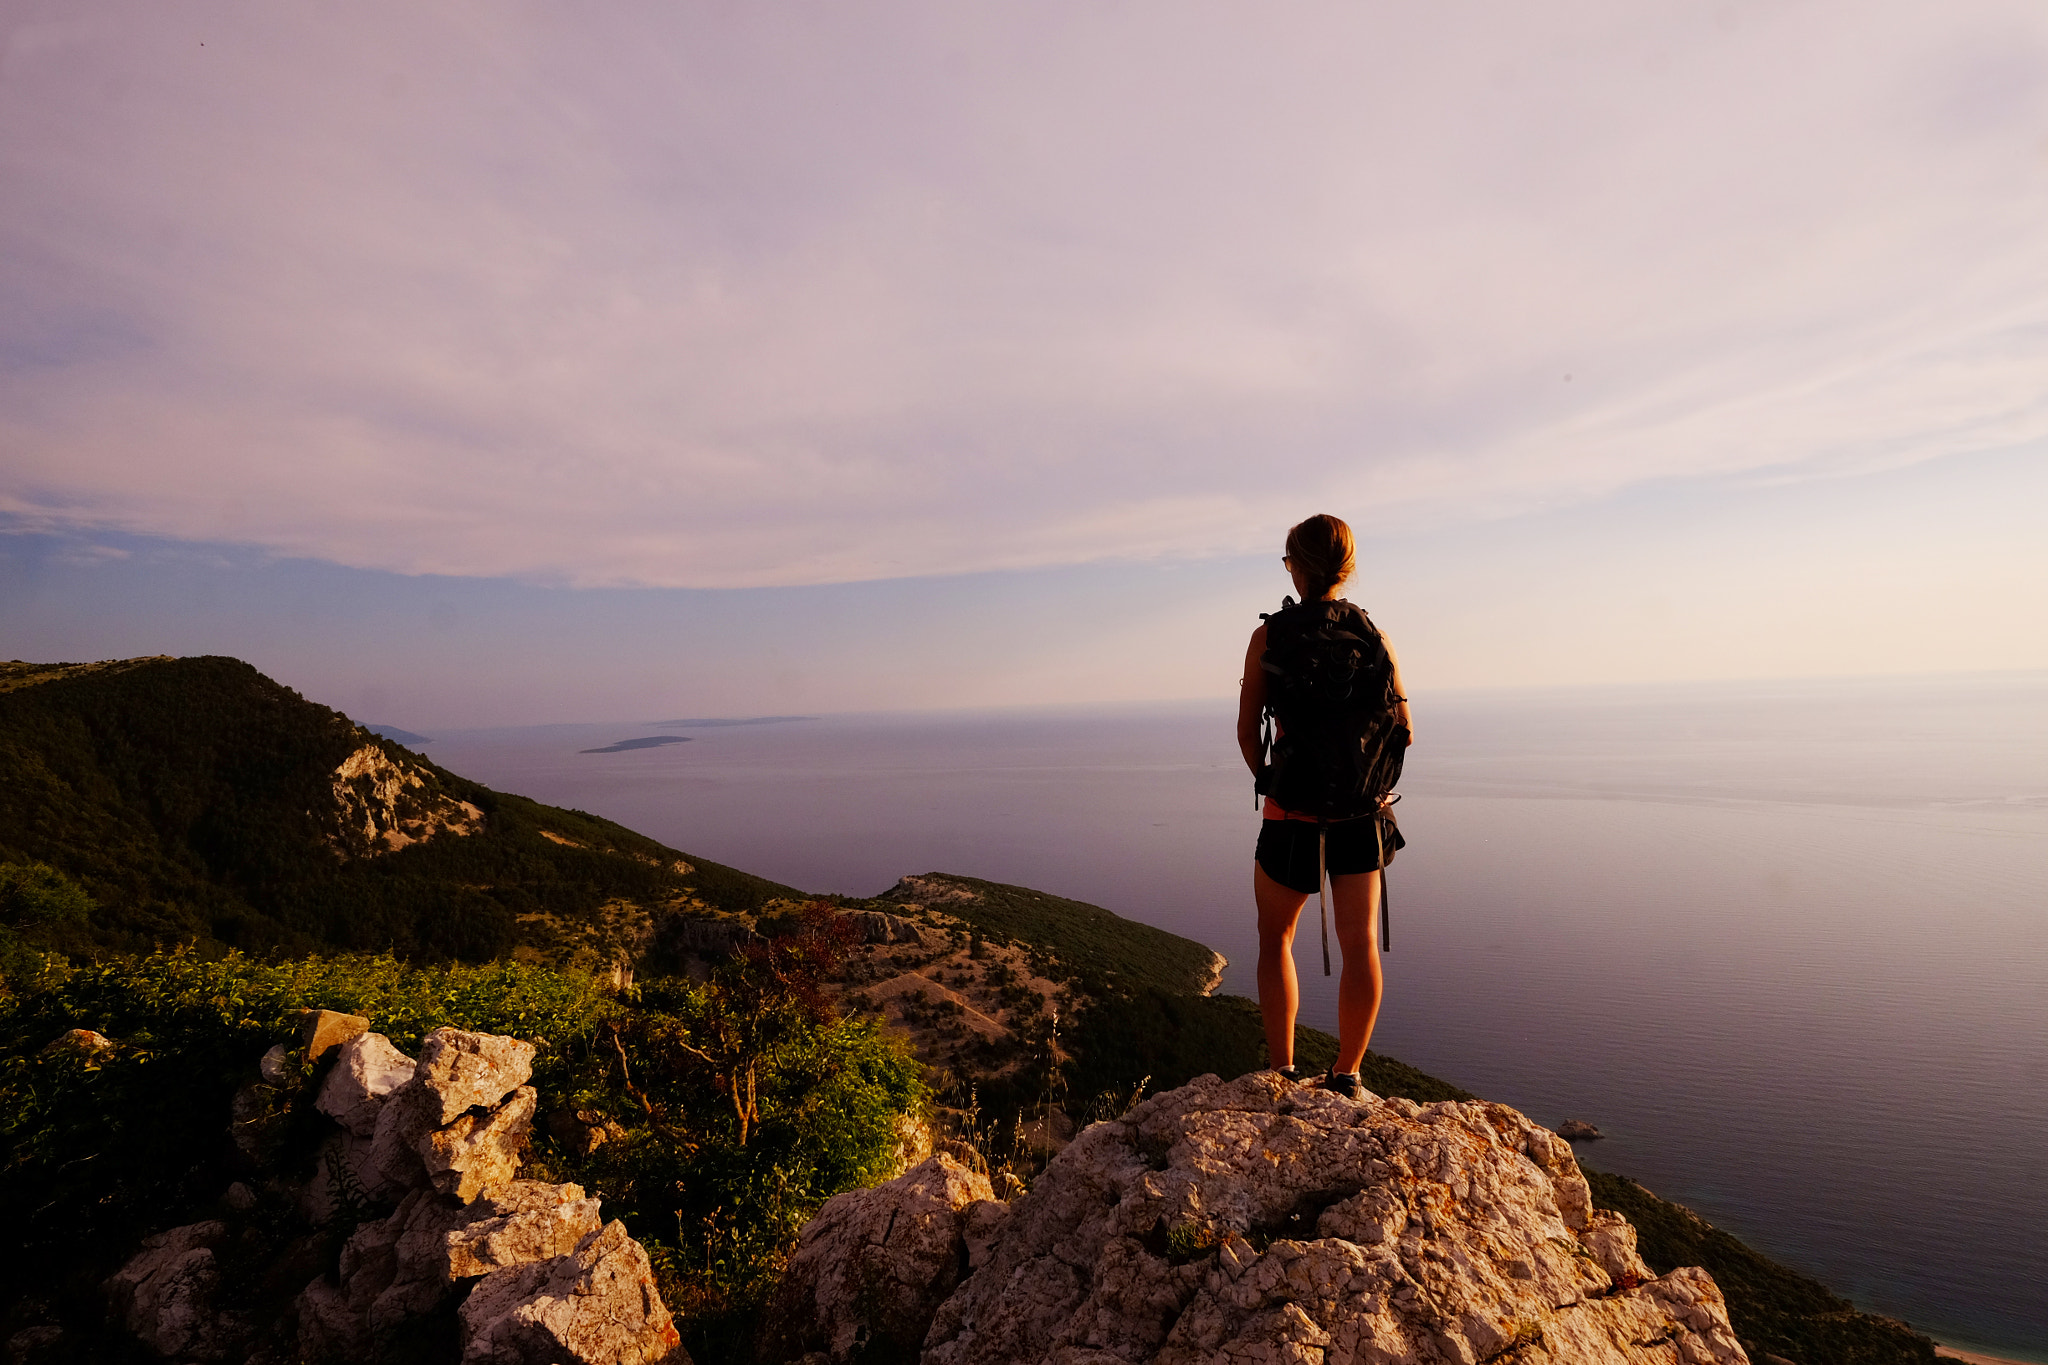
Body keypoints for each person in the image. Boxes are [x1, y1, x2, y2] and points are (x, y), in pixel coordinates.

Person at [1235, 514, 1412, 1098]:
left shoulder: (1270, 637)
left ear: (1295, 565)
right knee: (1360, 942)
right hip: (1363, 815)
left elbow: (1245, 732)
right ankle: (1347, 1074)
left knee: (1275, 940)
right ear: (1346, 569)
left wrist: (1275, 782)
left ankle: (1282, 1070)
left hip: (1292, 818)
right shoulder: (1373, 635)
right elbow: (1404, 729)